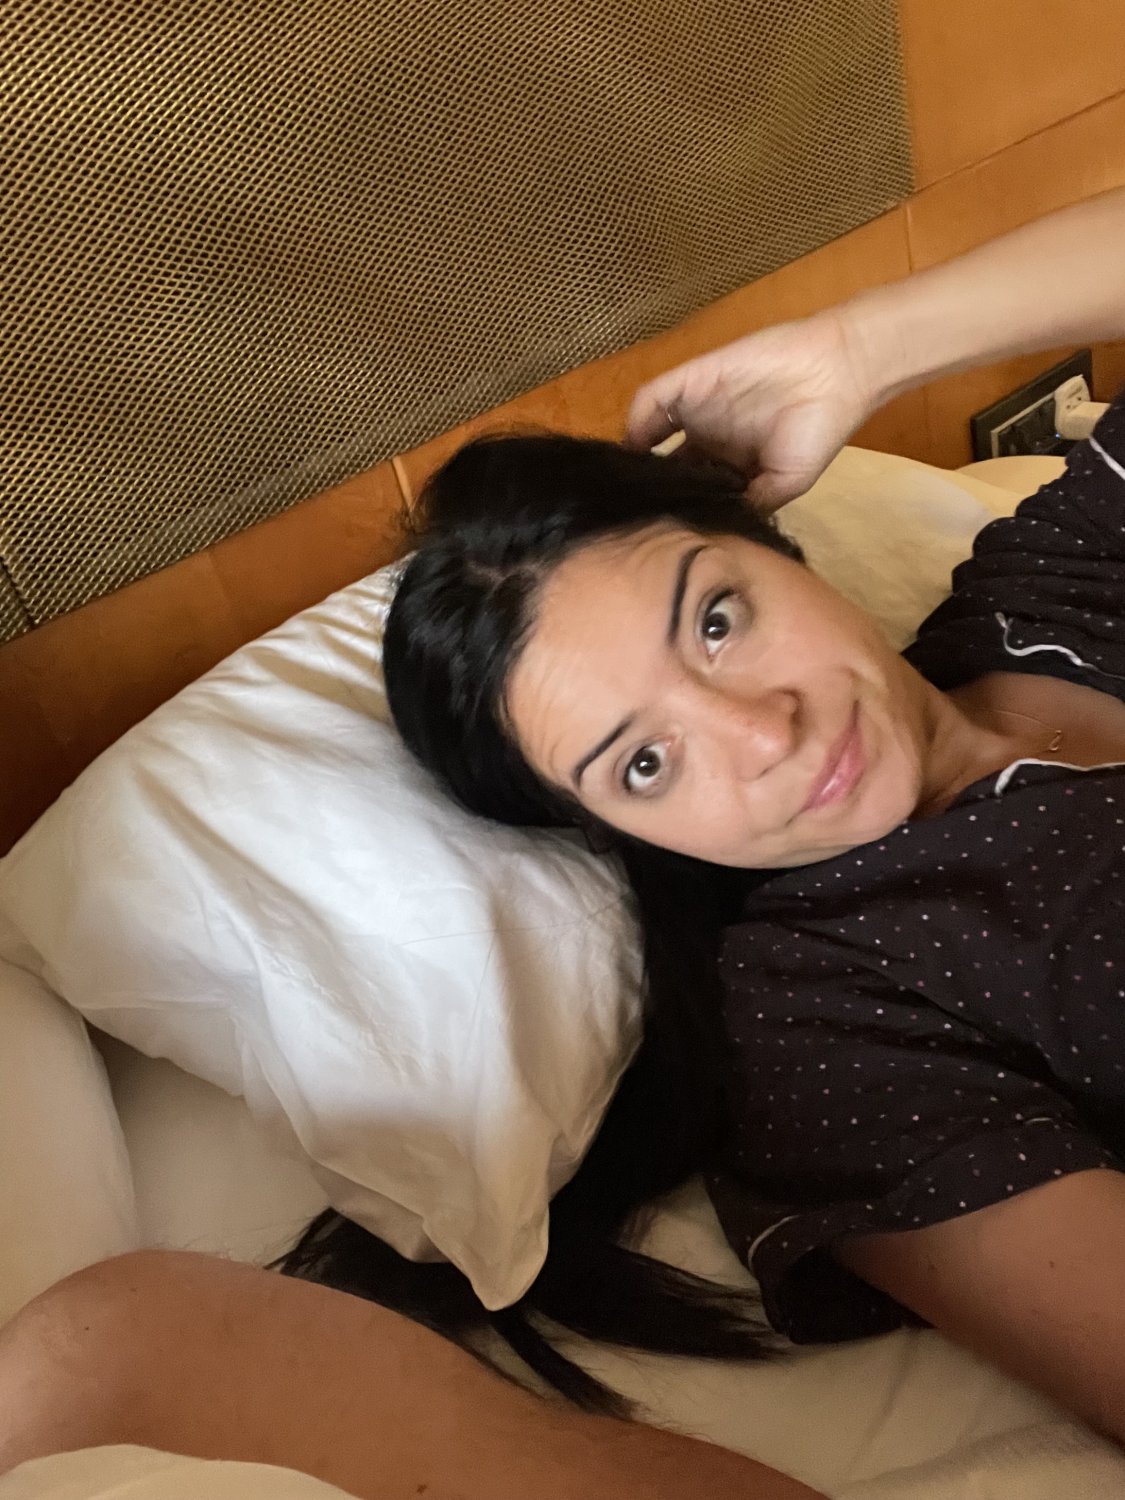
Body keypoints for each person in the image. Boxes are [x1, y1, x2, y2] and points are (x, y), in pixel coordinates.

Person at [3, 189, 1122, 1491]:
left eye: (716, 621)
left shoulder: (1055, 594)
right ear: (612, 830)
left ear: (780, 550)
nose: (760, 733)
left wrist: (860, 347)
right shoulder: (827, 1019)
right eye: (644, 762)